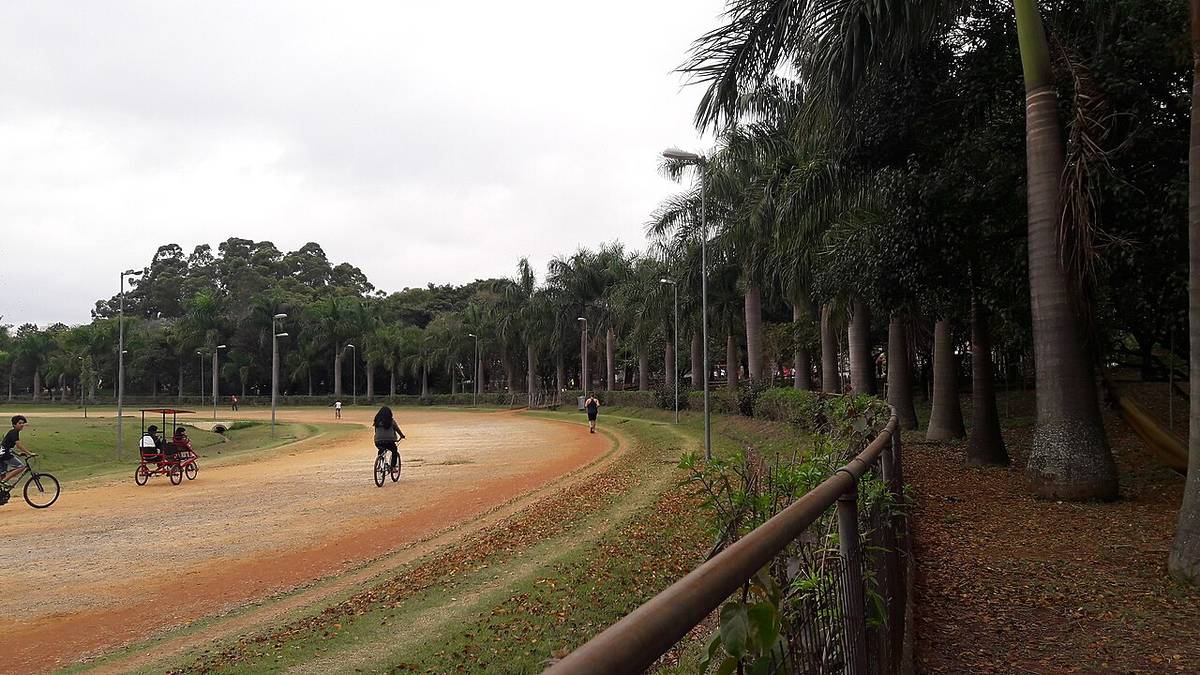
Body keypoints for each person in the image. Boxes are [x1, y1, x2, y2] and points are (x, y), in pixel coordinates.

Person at [1, 415, 32, 484]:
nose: (22, 425)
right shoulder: (14, 432)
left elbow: (7, 446)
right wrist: (30, 453)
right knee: (21, 467)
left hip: (2, 453)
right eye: (20, 423)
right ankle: (3, 482)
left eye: (23, 423)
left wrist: (18, 454)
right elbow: (19, 445)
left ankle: (2, 488)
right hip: (4, 454)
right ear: (14, 424)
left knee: (2, 474)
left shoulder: (13, 432)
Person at [372, 406, 405, 471]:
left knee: (381, 450)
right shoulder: (391, 421)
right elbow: (397, 429)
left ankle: (379, 463)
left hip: (378, 441)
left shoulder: (377, 421)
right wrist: (402, 436)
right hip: (389, 441)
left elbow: (376, 431)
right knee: (394, 450)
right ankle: (393, 467)